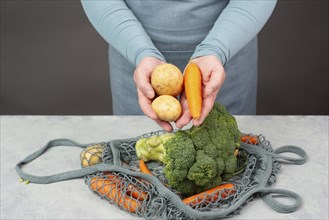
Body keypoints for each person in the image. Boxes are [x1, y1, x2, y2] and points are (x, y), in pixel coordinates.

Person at [81, 0, 277, 132]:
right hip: (136, 61)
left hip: (225, 61)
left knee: (230, 163)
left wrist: (216, 49)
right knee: (135, 164)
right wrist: (141, 52)